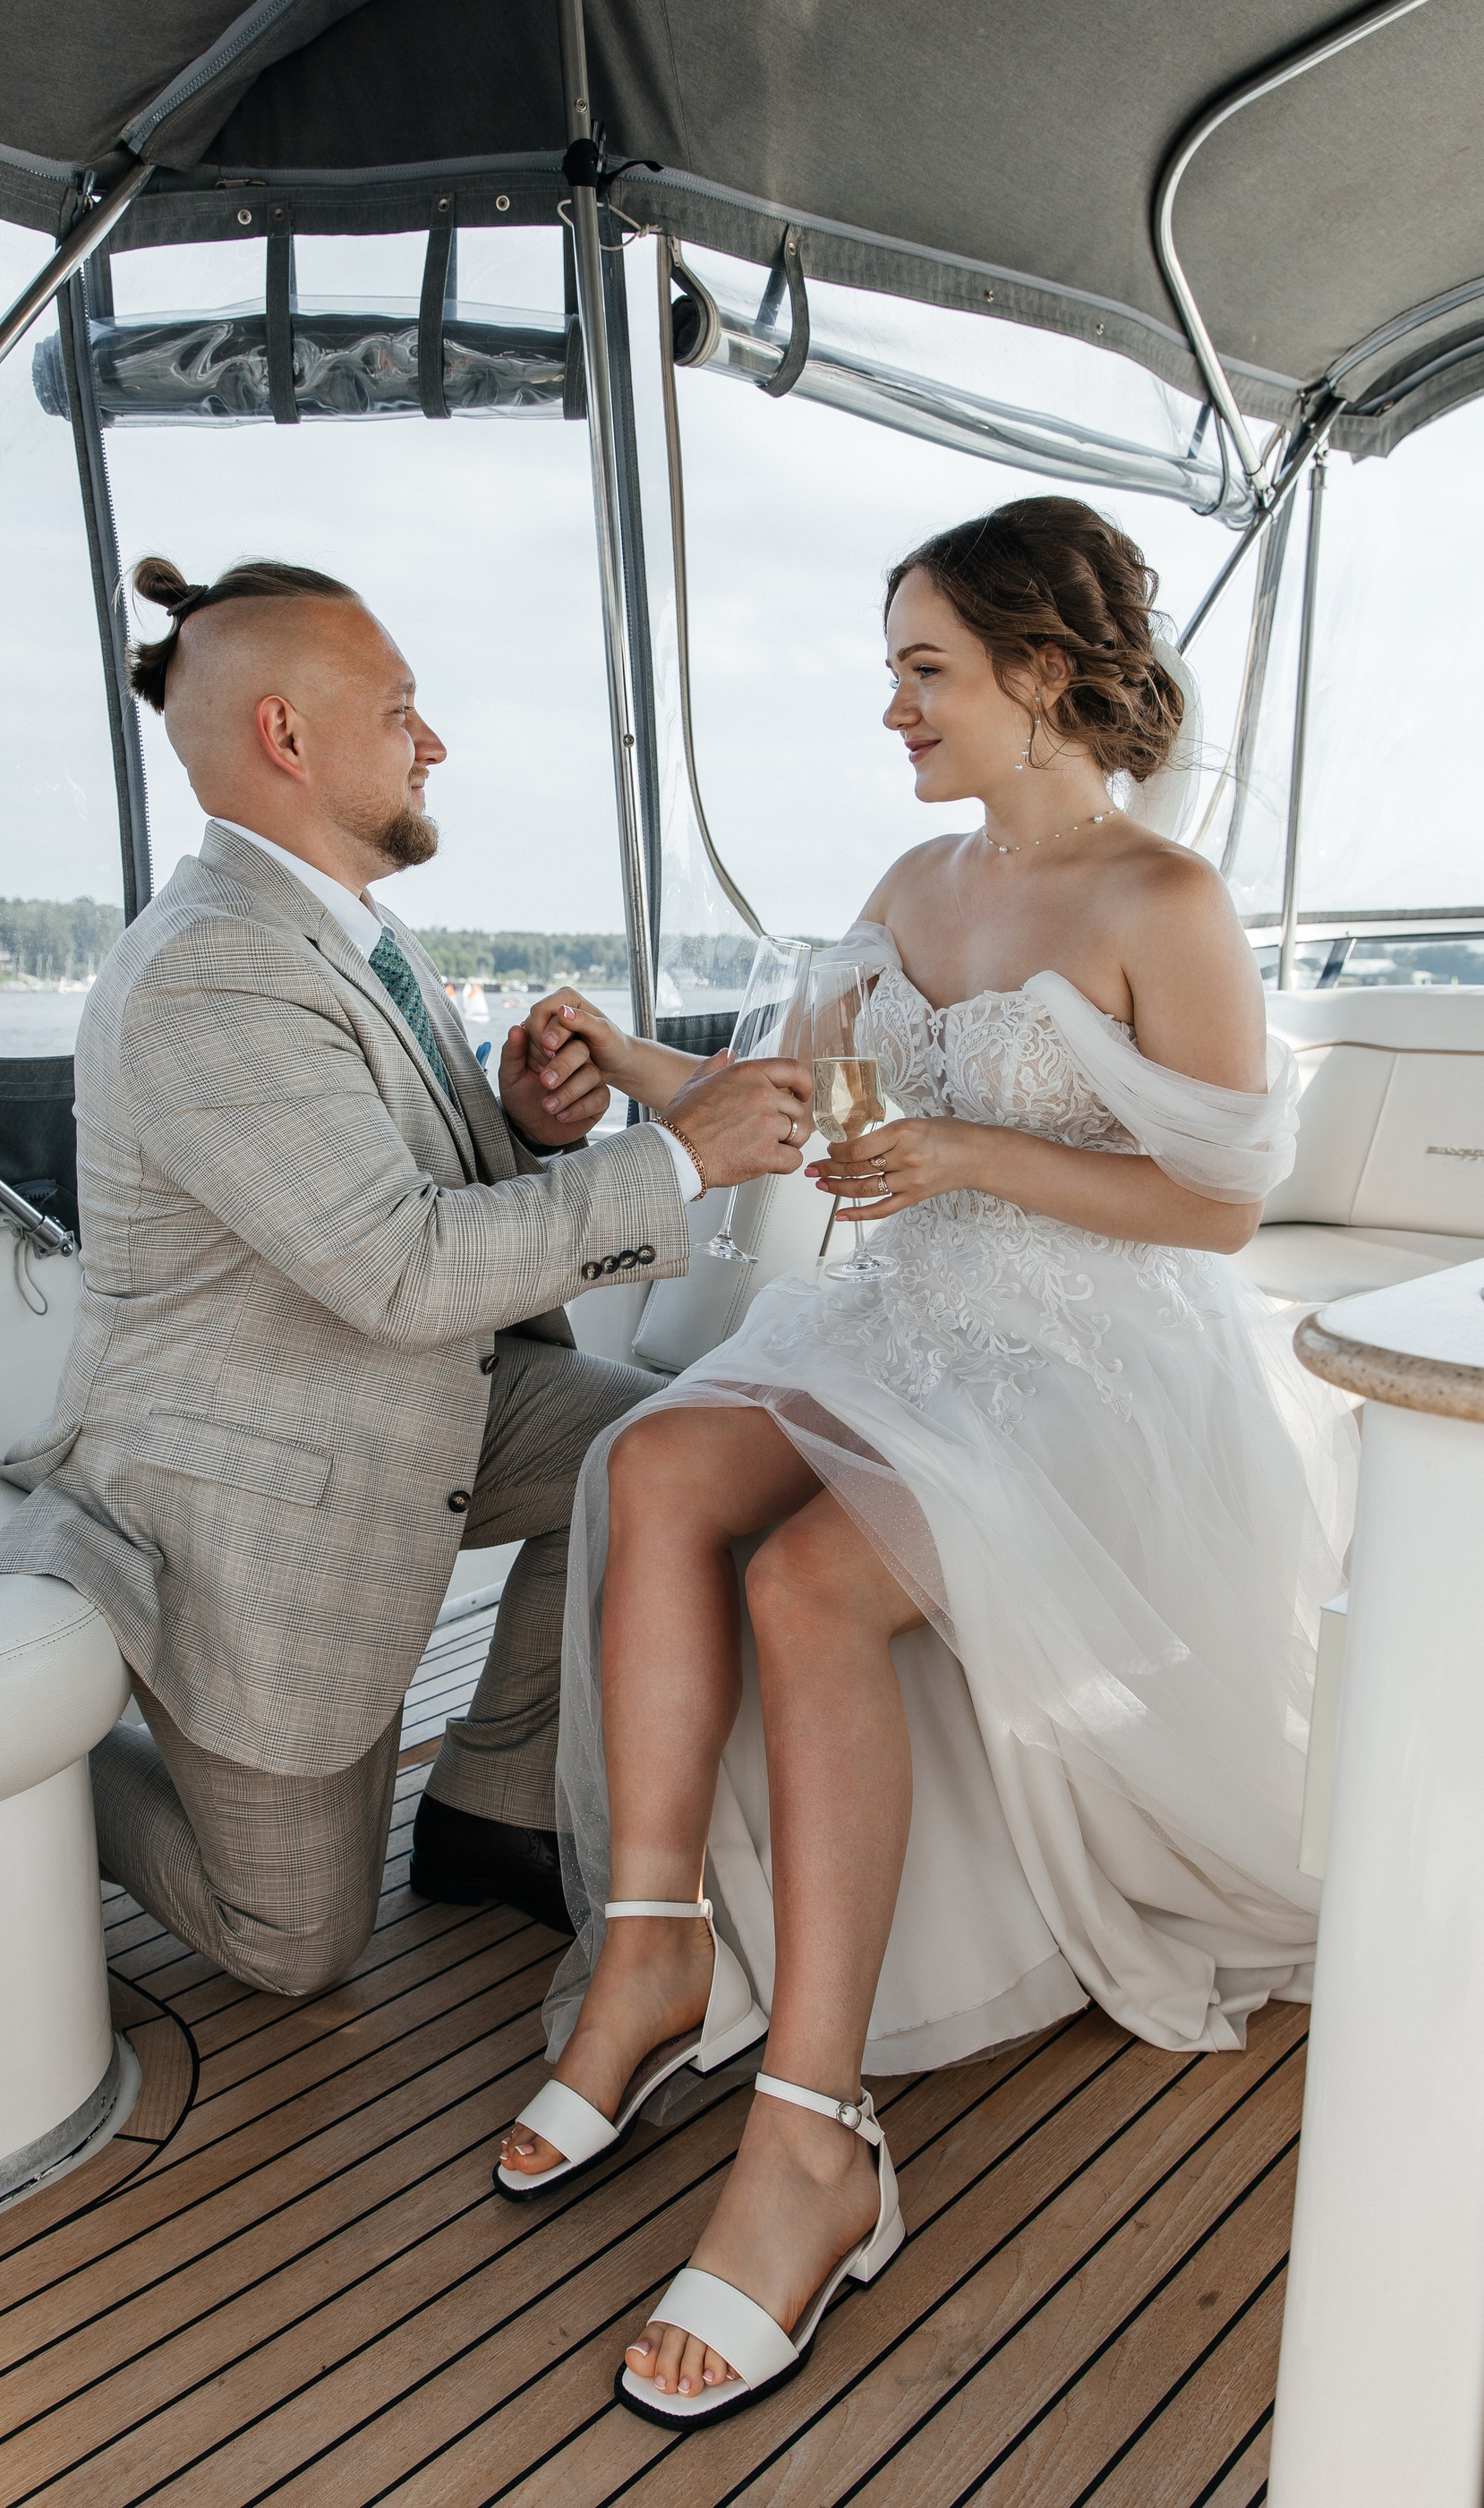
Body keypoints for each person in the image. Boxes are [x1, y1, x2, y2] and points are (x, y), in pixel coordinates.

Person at [494, 497, 1357, 2424]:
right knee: (653, 1467)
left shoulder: (1164, 903)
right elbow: (802, 1112)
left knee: (808, 1585)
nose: (894, 707)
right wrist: (618, 1065)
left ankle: (813, 2141)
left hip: (1092, 1355)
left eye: (924, 669)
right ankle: (651, 1958)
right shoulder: (910, 880)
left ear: (1041, 673)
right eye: (893, 670)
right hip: (902, 1318)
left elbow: (1218, 1209)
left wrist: (968, 1153)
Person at [0, 555, 811, 1995]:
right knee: (293, 1941)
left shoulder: (343, 925)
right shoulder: (208, 969)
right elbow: (405, 1265)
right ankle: (15, 1754)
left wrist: (528, 1122)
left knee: (675, 1450)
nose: (435, 744)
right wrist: (680, 1156)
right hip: (255, 1480)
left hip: (420, 1395)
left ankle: (492, 1804)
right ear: (287, 735)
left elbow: (401, 1189)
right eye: (401, 710)